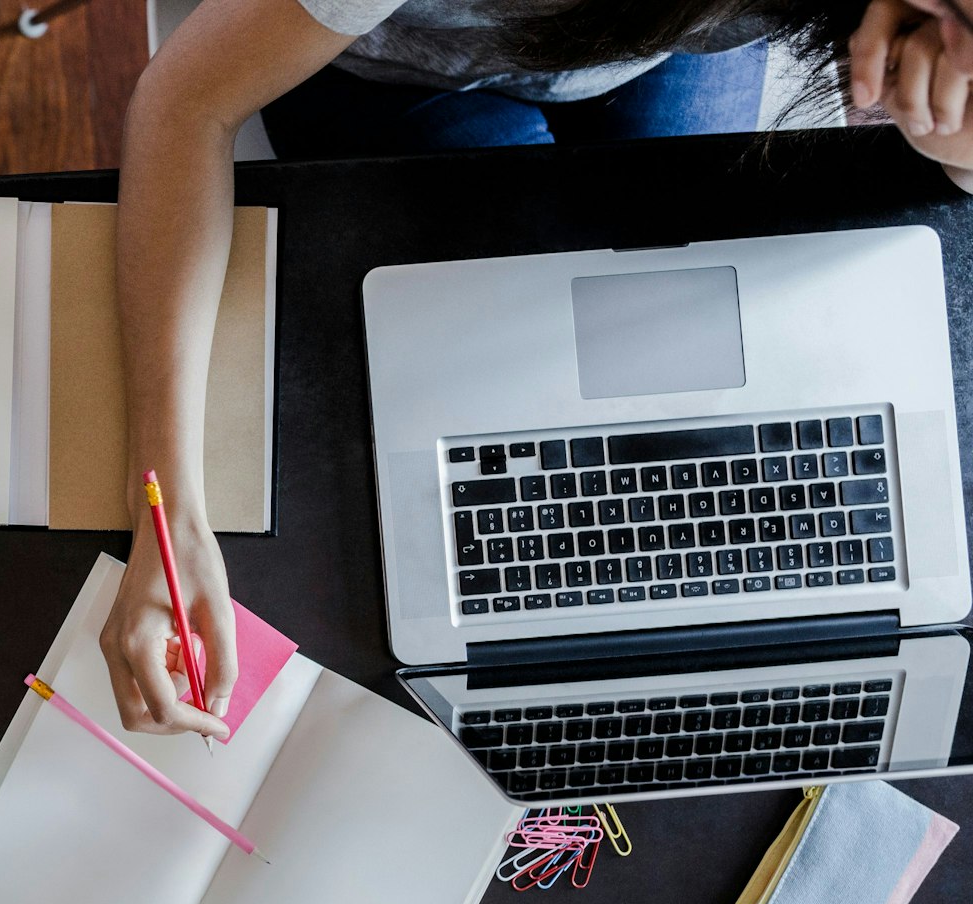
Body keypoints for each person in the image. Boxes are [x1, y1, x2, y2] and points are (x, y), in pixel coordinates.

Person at [101, 0, 973, 738]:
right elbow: (185, 103)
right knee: (493, 382)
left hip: (664, 39)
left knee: (671, 382)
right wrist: (168, 509)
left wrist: (963, 138)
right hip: (392, 69)